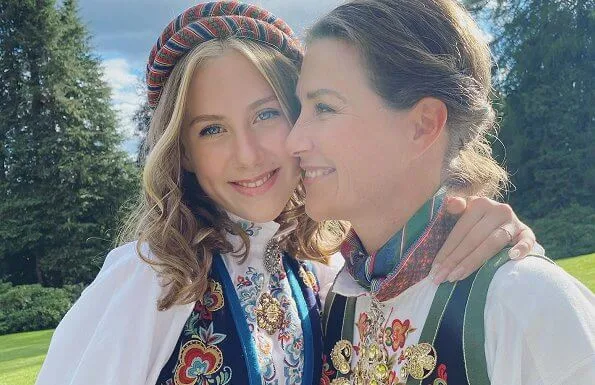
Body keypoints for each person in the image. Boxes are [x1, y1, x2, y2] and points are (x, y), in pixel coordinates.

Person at [35, 2, 539, 385]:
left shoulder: (324, 277)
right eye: (212, 130)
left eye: (266, 114)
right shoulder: (152, 282)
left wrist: (492, 229)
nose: (248, 154)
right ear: (181, 152)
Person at [286, 0, 595, 384]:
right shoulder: (335, 302)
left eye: (325, 107)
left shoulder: (524, 304)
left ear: (423, 125)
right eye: (301, 108)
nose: (293, 140)